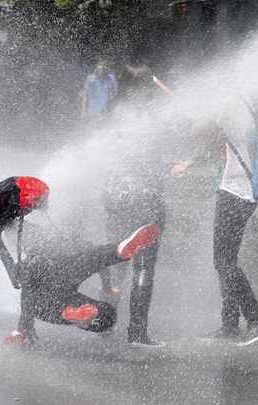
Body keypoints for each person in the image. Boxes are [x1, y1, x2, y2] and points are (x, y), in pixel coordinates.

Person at [0, 176, 160, 344]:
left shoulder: (4, 235)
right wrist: (107, 286)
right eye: (36, 201)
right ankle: (117, 251)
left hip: (45, 293)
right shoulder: (35, 229)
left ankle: (72, 313)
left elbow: (22, 282)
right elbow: (82, 253)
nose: (40, 205)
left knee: (50, 302)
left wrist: (24, 328)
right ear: (22, 201)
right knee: (108, 314)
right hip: (63, 271)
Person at [178, 97, 258, 346]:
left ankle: (256, 320)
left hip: (235, 193)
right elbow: (221, 144)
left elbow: (197, 132)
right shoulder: (245, 106)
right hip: (240, 192)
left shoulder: (231, 107)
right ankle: (230, 324)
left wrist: (196, 115)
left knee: (224, 262)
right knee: (225, 262)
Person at [97, 64, 170, 347]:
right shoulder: (153, 119)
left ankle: (103, 322)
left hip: (116, 198)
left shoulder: (113, 115)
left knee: (116, 261)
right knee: (143, 268)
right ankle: (137, 332)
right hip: (144, 199)